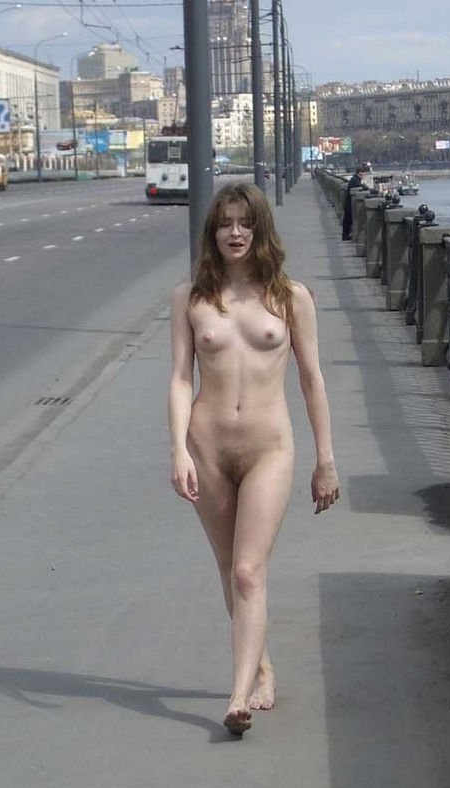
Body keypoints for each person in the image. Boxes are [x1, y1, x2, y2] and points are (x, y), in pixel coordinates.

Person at [168, 183, 340, 737]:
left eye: (244, 222)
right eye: (225, 223)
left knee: (248, 570)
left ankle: (237, 695)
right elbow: (180, 378)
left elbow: (312, 379)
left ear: (260, 228)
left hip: (270, 447)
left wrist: (325, 459)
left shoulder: (290, 297)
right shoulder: (190, 298)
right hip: (207, 446)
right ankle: (260, 668)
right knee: (229, 568)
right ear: (212, 232)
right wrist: (178, 449)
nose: (235, 233)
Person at [341, 165, 367, 241]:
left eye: (362, 175)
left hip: (348, 203)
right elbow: (359, 186)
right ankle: (346, 236)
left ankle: (346, 235)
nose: (362, 176)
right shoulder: (355, 180)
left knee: (347, 221)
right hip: (349, 204)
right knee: (348, 221)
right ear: (357, 173)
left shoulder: (354, 179)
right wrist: (364, 187)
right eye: (361, 174)